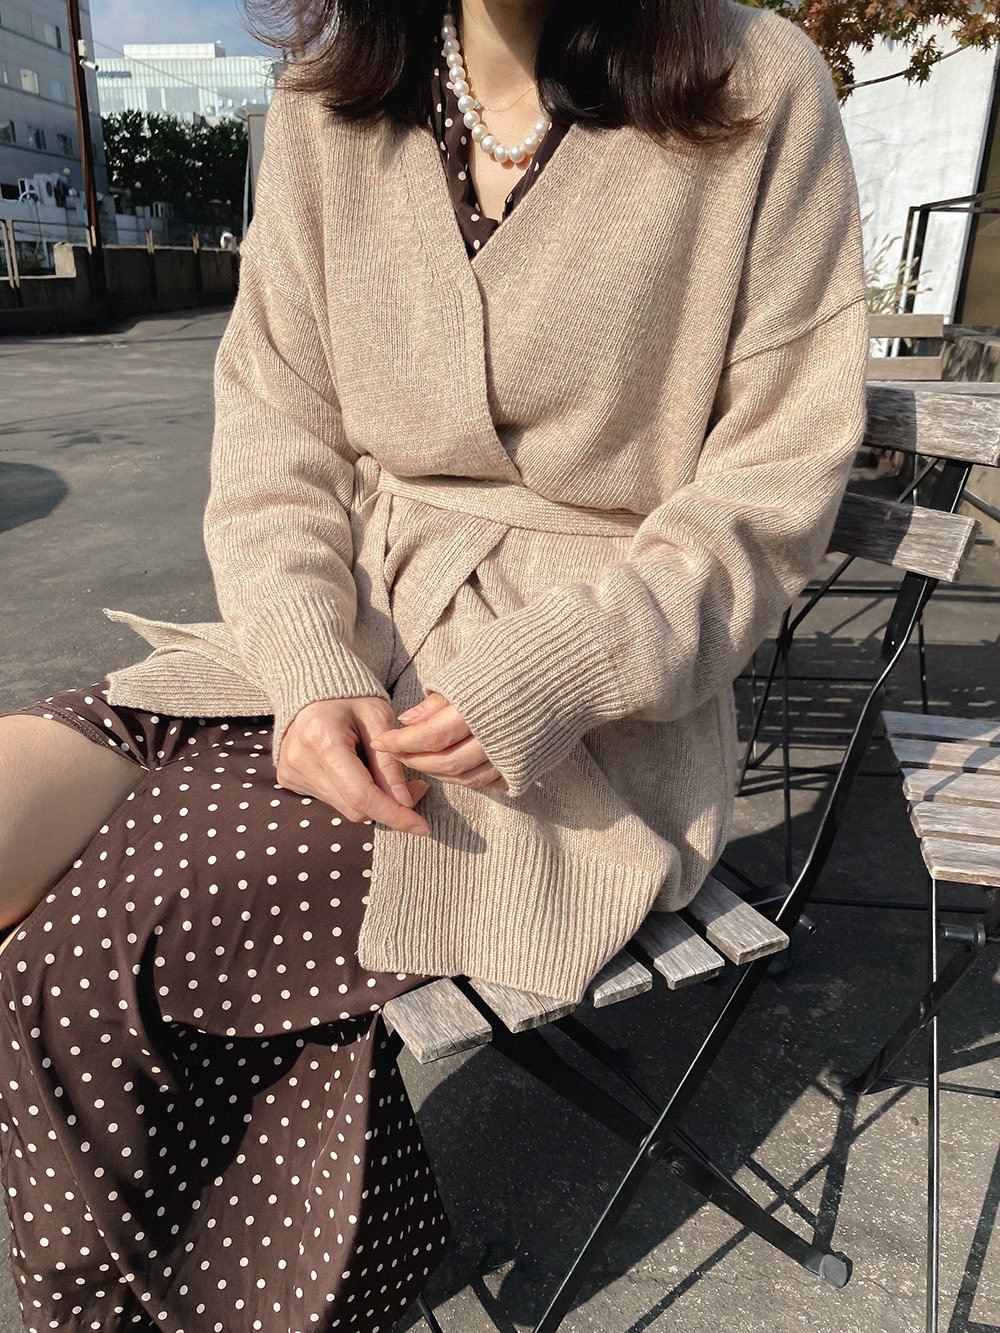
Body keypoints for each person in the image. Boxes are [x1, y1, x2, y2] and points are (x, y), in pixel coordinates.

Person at [0, 0, 868, 1328]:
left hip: (574, 724)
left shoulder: (752, 87)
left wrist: (559, 664)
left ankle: (217, 1301)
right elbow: (277, 428)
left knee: (87, 947)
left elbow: (770, 495)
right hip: (334, 637)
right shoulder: (329, 102)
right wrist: (306, 662)